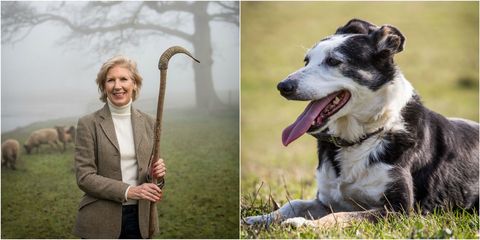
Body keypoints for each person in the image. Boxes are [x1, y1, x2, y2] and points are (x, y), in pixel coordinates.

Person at [74, 56, 166, 239]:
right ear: (103, 86)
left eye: (123, 79)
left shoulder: (150, 122)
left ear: (134, 84)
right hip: (100, 220)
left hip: (141, 219)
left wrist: (157, 175)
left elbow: (154, 181)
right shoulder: (88, 124)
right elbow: (84, 177)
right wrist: (129, 190)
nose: (117, 86)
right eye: (110, 80)